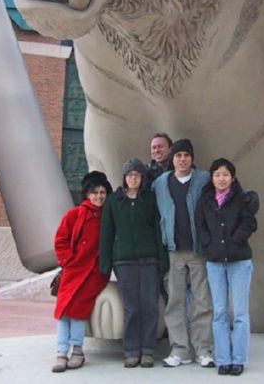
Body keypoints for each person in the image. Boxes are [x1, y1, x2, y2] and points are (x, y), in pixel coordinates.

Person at [100, 158, 169, 369]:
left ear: (142, 178)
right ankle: (131, 350)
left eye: (137, 175)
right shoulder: (113, 201)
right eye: (130, 175)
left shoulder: (150, 199)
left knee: (149, 305)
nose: (133, 178)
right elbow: (107, 233)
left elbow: (158, 230)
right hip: (124, 260)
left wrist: (162, 258)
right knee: (131, 307)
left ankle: (148, 350)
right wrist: (105, 263)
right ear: (124, 177)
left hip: (149, 260)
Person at [153, 139, 214, 368]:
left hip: (198, 250)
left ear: (192, 158)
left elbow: (225, 190)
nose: (182, 159)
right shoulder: (160, 183)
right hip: (173, 250)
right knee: (175, 302)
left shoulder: (204, 179)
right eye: (178, 155)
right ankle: (180, 349)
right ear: (172, 158)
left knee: (202, 301)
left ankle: (203, 349)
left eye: (186, 155)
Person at [195, 158, 259, 376]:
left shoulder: (242, 198)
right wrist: (208, 243)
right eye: (217, 174)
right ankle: (223, 359)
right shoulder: (205, 200)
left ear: (232, 177)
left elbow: (250, 222)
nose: (221, 179)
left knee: (240, 312)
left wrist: (236, 239)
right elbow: (200, 225)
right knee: (220, 312)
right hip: (215, 263)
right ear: (211, 178)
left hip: (239, 261)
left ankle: (238, 359)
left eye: (225, 174)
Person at [52, 171, 112, 373]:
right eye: (94, 192)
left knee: (78, 310)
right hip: (73, 269)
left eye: (102, 192)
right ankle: (61, 351)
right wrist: (68, 260)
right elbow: (61, 239)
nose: (99, 196)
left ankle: (77, 349)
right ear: (87, 194)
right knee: (63, 311)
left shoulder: (108, 217)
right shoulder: (75, 214)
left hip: (94, 273)